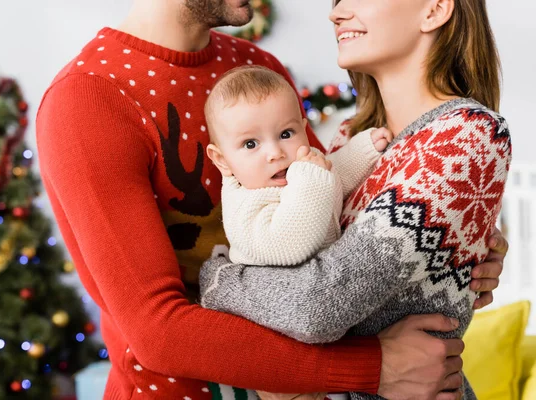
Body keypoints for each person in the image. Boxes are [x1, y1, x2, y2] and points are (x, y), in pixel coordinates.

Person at [35, 0, 508, 399]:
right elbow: (157, 331)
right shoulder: (89, 98)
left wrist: (450, 248)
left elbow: (326, 206)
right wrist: (375, 367)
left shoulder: (255, 68)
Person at [199, 0, 510, 399]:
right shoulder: (352, 134)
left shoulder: (468, 134)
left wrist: (217, 278)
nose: (336, 12)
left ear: (435, 9)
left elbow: (318, 305)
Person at [204, 65, 392, 266]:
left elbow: (335, 173)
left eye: (286, 134)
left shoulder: (306, 168)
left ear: (303, 130)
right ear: (222, 160)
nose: (276, 153)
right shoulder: (245, 208)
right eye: (250, 144)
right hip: (277, 291)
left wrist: (365, 147)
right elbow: (287, 246)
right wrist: (311, 179)